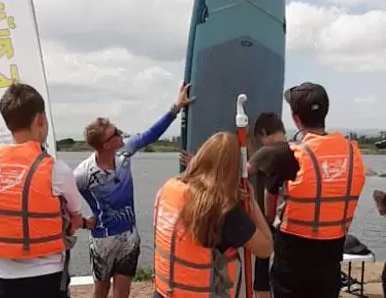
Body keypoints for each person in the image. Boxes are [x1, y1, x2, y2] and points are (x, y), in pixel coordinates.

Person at [73, 83, 193, 298]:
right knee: (101, 291)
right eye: (115, 133)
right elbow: (57, 199)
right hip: (103, 240)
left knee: (123, 293)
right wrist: (81, 222)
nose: (121, 134)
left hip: (129, 237)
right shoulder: (83, 174)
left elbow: (150, 135)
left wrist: (176, 108)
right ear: (106, 144)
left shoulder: (124, 151)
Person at [251, 82, 366, 298]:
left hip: (292, 261)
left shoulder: (288, 155)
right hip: (331, 260)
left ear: (296, 119)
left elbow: (269, 211)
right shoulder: (352, 153)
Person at [0, 82, 83, 298]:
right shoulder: (56, 170)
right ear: (40, 119)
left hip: (3, 279)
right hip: (47, 280)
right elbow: (75, 216)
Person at [153, 132, 273, 298]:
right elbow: (266, 248)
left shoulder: (169, 189)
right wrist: (252, 203)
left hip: (165, 291)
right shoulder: (225, 210)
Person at [247, 112, 298, 298]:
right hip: (290, 221)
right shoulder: (295, 150)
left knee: (262, 277)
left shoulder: (269, 151)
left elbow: (244, 172)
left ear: (263, 132)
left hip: (268, 221)